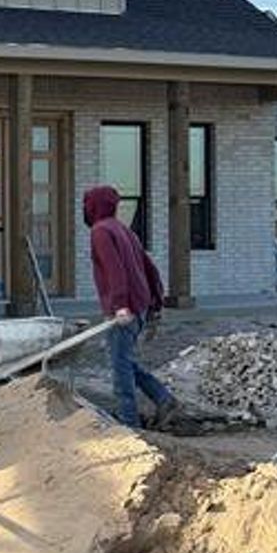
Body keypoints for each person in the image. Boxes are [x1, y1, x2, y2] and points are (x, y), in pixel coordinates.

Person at [82, 184, 178, 429]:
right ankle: (162, 397)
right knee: (122, 359)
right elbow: (150, 267)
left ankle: (129, 421)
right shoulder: (124, 230)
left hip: (127, 309)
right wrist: (156, 302)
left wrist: (120, 305)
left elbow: (115, 271)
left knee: (119, 366)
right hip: (141, 305)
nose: (84, 209)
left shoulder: (101, 231)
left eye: (86, 204)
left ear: (95, 206)